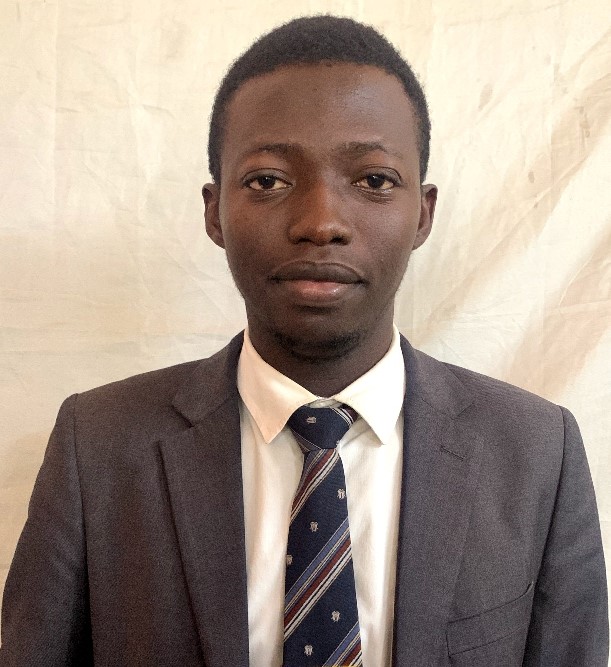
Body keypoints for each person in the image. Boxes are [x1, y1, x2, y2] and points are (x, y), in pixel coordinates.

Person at [0, 15, 607, 667]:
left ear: (423, 214)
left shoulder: (536, 452)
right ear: (214, 212)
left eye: (373, 180)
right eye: (268, 180)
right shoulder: (98, 445)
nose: (321, 222)